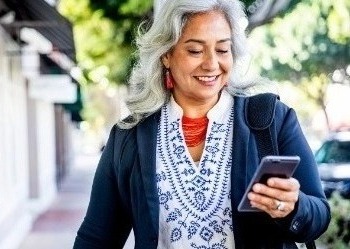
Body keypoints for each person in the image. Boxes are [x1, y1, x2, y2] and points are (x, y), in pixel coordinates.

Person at [73, 0, 330, 248]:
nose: (211, 64)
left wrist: (293, 206)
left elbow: (318, 216)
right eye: (195, 50)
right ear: (166, 55)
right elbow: (97, 237)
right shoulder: (129, 136)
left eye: (222, 49)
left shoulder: (272, 119)